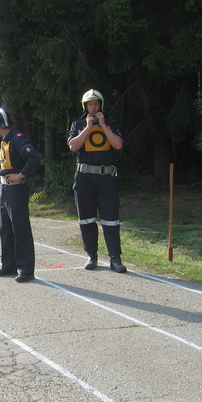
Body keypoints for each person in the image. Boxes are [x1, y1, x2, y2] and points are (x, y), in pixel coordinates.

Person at [67, 89, 127, 273]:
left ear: (101, 105)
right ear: (85, 106)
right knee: (86, 219)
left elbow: (118, 144)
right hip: (84, 177)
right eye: (90, 104)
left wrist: (102, 125)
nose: (93, 107)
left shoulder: (111, 123)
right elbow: (73, 146)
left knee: (110, 220)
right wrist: (88, 127)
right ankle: (92, 256)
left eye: (96, 104)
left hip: (106, 177)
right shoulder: (78, 124)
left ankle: (115, 258)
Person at [0, 107, 41, 283]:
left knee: (20, 229)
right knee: (6, 229)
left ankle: (26, 269)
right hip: (5, 188)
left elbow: (34, 157)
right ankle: (9, 265)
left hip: (16, 188)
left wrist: (21, 175)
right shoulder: (6, 140)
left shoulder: (17, 138)